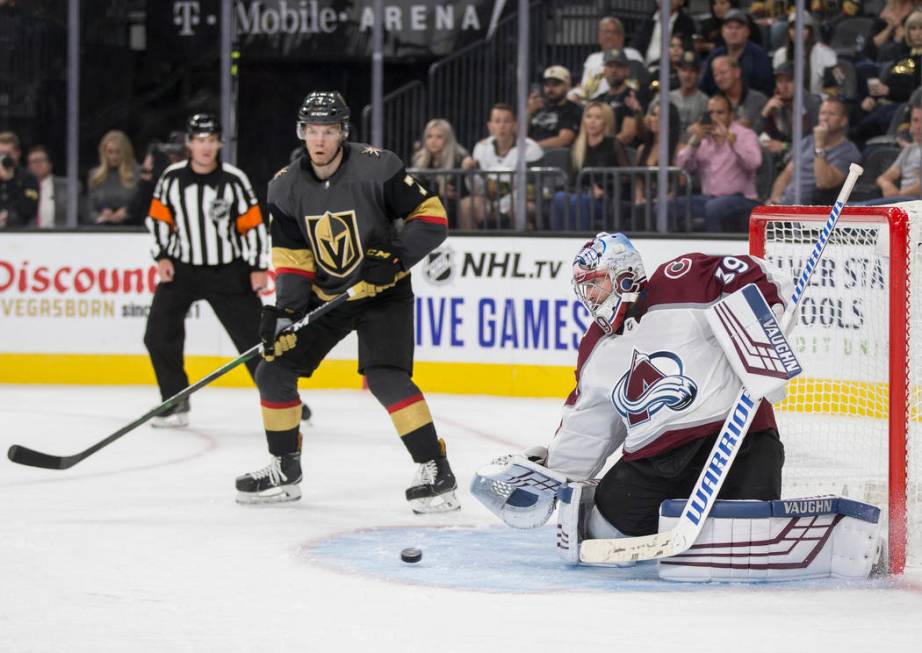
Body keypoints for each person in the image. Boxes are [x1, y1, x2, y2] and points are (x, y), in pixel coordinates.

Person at [473, 232, 788, 545]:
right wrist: (553, 474)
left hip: (741, 439)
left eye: (595, 282)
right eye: (583, 287)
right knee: (601, 535)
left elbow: (755, 271)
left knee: (751, 536)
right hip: (657, 459)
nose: (590, 295)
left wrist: (765, 313)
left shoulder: (682, 279)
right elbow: (588, 427)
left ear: (625, 275)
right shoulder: (596, 345)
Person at [237, 91, 460, 514]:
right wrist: (284, 312)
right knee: (273, 371)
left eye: (329, 131)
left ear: (343, 133)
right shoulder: (284, 187)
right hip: (328, 296)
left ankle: (435, 470)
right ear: (302, 133)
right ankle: (284, 470)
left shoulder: (379, 166)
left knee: (385, 377)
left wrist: (394, 257)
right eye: (312, 131)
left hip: (382, 292)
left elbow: (433, 219)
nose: (319, 140)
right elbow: (293, 260)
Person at [143, 113, 304, 428]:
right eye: (200, 140)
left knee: (256, 341)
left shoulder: (233, 180)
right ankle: (175, 399)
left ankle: (282, 399)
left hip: (228, 271)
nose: (206, 147)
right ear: (189, 143)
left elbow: (254, 226)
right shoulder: (172, 178)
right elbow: (159, 220)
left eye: (212, 140)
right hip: (182, 269)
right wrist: (161, 256)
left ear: (219, 143)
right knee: (158, 335)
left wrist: (258, 266)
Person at [675, 93, 762, 231]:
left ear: (730, 115)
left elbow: (754, 163)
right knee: (668, 206)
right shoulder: (703, 138)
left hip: (743, 199)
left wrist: (732, 142)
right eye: (711, 113)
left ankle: (714, 252)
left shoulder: (745, 134)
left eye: (720, 113)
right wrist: (693, 142)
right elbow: (682, 168)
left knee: (714, 207)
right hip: (708, 199)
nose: (714, 117)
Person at [460, 103, 544, 229]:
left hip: (519, 201)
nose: (502, 126)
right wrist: (469, 173)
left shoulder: (530, 148)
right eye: (497, 121)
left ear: (515, 125)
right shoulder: (481, 148)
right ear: (490, 126)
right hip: (490, 202)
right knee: (466, 205)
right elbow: (477, 190)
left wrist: (504, 207)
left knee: (521, 208)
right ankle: (471, 247)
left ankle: (522, 247)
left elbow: (531, 189)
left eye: (507, 121)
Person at [549, 101, 629, 230]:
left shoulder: (613, 144)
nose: (592, 121)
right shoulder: (577, 146)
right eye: (589, 116)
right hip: (580, 193)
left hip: (604, 200)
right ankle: (559, 241)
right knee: (559, 198)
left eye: (598, 117)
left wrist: (602, 188)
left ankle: (583, 244)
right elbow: (571, 177)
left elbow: (625, 176)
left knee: (578, 201)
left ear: (605, 121)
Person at [769, 98, 862, 205]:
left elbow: (824, 183)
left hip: (811, 212)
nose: (825, 118)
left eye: (831, 114)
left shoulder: (849, 151)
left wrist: (819, 145)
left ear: (843, 121)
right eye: (822, 113)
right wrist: (774, 201)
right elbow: (786, 175)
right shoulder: (807, 142)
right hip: (784, 206)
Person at [699, 9, 773, 97]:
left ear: (747, 32)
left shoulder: (759, 55)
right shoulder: (714, 55)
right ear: (722, 32)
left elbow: (766, 91)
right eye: (729, 27)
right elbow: (704, 88)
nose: (733, 32)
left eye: (738, 27)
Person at [410, 118, 469, 228]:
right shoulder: (420, 159)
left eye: (439, 137)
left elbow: (460, 191)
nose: (433, 141)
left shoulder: (459, 158)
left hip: (452, 210)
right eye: (429, 136)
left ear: (447, 139)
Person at [569, 17, 644, 102]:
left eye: (613, 32)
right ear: (599, 37)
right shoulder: (592, 58)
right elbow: (584, 87)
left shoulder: (631, 54)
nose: (608, 36)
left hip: (614, 101)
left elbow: (633, 85)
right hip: (590, 104)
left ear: (621, 37)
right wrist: (575, 94)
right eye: (605, 32)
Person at [771, 12, 837, 97]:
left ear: (810, 31)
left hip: (818, 103)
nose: (797, 32)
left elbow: (834, 89)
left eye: (803, 28)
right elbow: (777, 88)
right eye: (793, 28)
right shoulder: (780, 55)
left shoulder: (825, 54)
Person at [86, 130, 139, 226]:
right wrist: (101, 215)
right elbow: (90, 210)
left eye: (118, 152)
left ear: (125, 153)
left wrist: (128, 212)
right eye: (110, 152)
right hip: (102, 229)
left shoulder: (136, 174)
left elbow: (142, 205)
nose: (114, 157)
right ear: (104, 153)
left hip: (131, 228)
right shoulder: (95, 176)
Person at [594, 49, 646, 147]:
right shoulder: (599, 99)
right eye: (610, 66)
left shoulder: (633, 97)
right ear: (604, 71)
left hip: (625, 154)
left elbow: (627, 135)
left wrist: (602, 149)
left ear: (627, 71)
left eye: (619, 66)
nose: (614, 70)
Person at [871, 104, 922, 202]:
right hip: (901, 201)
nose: (919, 126)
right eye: (915, 120)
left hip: (916, 203)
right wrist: (886, 184)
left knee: (853, 208)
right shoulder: (910, 149)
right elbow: (883, 177)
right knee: (850, 208)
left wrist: (898, 196)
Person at [527, 66, 583, 149]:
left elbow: (564, 140)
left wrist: (532, 148)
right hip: (528, 153)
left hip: (552, 155)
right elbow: (516, 134)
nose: (550, 89)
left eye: (555, 85)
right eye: (547, 85)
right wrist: (529, 111)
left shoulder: (572, 109)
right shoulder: (537, 107)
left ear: (567, 86)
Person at [27, 145, 80, 228]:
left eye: (42, 160)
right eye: (34, 161)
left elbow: (80, 215)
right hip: (28, 237)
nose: (38, 164)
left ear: (50, 164)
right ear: (28, 166)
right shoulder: (23, 187)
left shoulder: (69, 186)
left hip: (61, 236)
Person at [710, 55, 768, 130]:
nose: (719, 78)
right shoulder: (713, 103)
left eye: (723, 73)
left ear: (737, 72)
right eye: (716, 75)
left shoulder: (759, 100)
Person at [0, 131, 38, 228]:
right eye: (1, 154)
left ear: (17, 154)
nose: (4, 158)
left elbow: (29, 210)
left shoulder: (28, 178)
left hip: (20, 234)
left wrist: (9, 180)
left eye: (8, 154)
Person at [670, 51, 709, 138]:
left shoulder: (705, 102)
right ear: (678, 72)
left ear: (699, 74)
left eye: (692, 71)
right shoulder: (667, 98)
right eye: (684, 70)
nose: (687, 75)